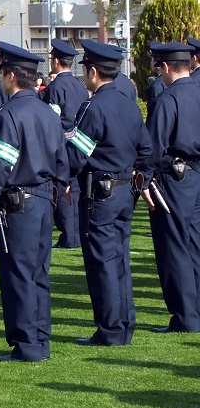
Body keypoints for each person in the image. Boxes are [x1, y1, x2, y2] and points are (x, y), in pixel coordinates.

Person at [0, 42, 69, 362]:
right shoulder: (48, 112)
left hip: (19, 203)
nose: (2, 77)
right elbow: (62, 162)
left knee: (19, 273)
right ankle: (40, 338)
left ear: (12, 76)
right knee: (39, 272)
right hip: (44, 200)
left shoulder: (9, 113)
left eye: (3, 71)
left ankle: (27, 344)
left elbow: (0, 165)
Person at [67, 41, 152, 346]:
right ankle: (125, 322)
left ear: (92, 71)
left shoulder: (92, 107)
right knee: (120, 259)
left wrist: (61, 177)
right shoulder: (129, 103)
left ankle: (110, 329)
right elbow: (146, 149)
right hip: (125, 190)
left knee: (101, 262)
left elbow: (76, 156)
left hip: (99, 195)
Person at [141, 41, 200, 333]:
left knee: (174, 247)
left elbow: (154, 147)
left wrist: (145, 180)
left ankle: (185, 317)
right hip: (197, 176)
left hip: (175, 179)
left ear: (165, 67)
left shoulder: (168, 99)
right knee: (195, 244)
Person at [40, 39, 86, 250]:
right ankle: (76, 232)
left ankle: (69, 235)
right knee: (75, 189)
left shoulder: (56, 87)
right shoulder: (79, 85)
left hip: (63, 142)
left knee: (63, 186)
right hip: (79, 142)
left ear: (56, 61)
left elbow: (52, 120)